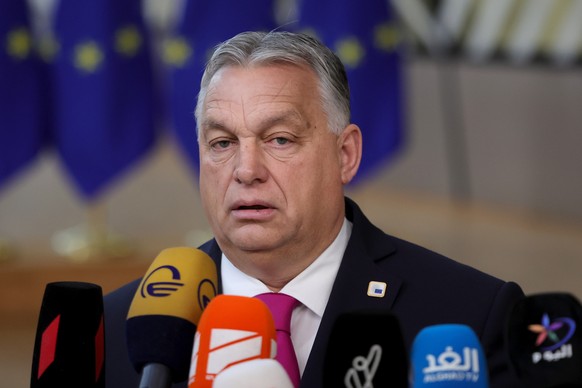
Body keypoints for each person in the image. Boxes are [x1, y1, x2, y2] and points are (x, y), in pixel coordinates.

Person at [104, 30, 524, 387]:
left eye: (280, 139)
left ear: (345, 155)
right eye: (222, 143)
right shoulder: (116, 328)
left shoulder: (471, 315)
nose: (246, 171)